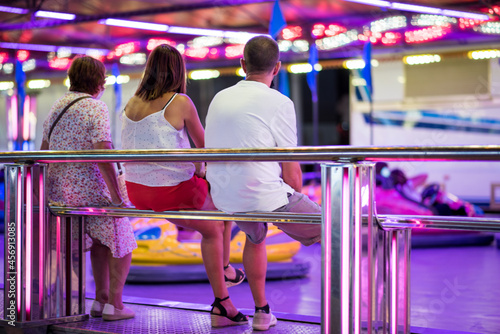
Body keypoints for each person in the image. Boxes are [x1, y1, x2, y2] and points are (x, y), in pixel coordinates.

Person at [121, 44, 247, 328]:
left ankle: (225, 271)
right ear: (178, 70)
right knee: (215, 225)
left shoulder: (131, 102)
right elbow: (205, 147)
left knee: (221, 211)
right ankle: (222, 303)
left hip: (136, 189)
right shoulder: (180, 101)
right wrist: (202, 169)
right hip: (170, 188)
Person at [205, 35, 322, 331]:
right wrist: (298, 202)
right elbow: (290, 164)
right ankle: (344, 310)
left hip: (225, 197)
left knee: (256, 237)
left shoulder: (219, 97)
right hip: (267, 198)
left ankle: (262, 311)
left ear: (242, 64)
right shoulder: (280, 102)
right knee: (336, 227)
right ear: (277, 67)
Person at [40, 56, 137, 321]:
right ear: (99, 80)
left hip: (60, 190)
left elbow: (44, 151)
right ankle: (114, 305)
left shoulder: (57, 106)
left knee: (99, 240)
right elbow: (102, 152)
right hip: (89, 189)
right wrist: (117, 198)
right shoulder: (95, 107)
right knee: (122, 236)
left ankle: (100, 300)